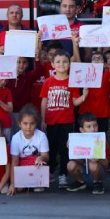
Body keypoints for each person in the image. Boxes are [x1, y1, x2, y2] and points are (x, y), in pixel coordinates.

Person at [40, 49, 88, 188]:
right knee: (51, 148)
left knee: (64, 149)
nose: (62, 64)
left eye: (65, 62)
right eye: (58, 62)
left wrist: (84, 96)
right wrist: (43, 119)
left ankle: (63, 174)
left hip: (67, 121)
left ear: (69, 64)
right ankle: (49, 172)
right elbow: (44, 101)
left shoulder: (72, 82)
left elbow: (74, 102)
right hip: (51, 121)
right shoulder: (48, 82)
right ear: (52, 64)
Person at [8, 106, 49, 196]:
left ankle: (34, 183)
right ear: (19, 124)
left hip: (36, 165)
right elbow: (14, 161)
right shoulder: (16, 138)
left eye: (32, 123)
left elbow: (46, 157)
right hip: (21, 165)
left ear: (36, 123)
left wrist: (40, 158)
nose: (28, 127)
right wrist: (12, 184)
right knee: (18, 189)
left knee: (39, 163)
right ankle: (28, 183)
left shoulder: (41, 136)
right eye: (25, 124)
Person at [66, 113, 110, 195]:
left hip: (97, 171)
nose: (93, 129)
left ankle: (97, 183)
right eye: (89, 126)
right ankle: (80, 182)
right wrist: (72, 148)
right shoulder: (77, 141)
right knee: (70, 164)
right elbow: (77, 161)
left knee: (93, 164)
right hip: (84, 171)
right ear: (82, 130)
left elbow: (106, 164)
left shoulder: (101, 141)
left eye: (95, 125)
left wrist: (99, 159)